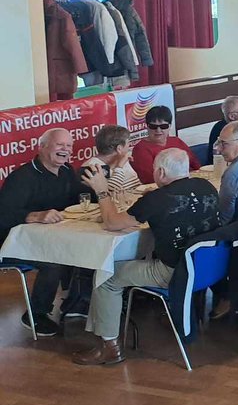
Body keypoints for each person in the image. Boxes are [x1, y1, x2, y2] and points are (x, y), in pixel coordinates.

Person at [72, 148, 222, 366]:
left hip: (174, 272)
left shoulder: (158, 199)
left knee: (106, 275)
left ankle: (109, 347)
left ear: (160, 172)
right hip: (208, 267)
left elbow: (113, 223)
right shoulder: (206, 186)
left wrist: (102, 191)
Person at [0, 128, 82, 336]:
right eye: (60, 145)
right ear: (42, 147)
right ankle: (35, 315)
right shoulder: (22, 177)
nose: (65, 149)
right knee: (54, 261)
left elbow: (76, 201)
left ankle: (76, 302)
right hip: (11, 241)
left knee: (82, 249)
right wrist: (35, 216)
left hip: (49, 238)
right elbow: (4, 214)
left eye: (69, 146)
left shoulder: (66, 171)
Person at [131, 105, 200, 183]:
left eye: (163, 126)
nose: (158, 130)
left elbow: (196, 165)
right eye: (153, 126)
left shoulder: (176, 141)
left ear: (170, 126)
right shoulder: (141, 149)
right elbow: (150, 179)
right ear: (147, 126)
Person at [80, 125, 140, 197]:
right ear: (119, 149)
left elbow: (136, 186)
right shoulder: (90, 167)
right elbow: (108, 194)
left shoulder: (121, 157)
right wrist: (119, 167)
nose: (129, 147)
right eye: (128, 143)